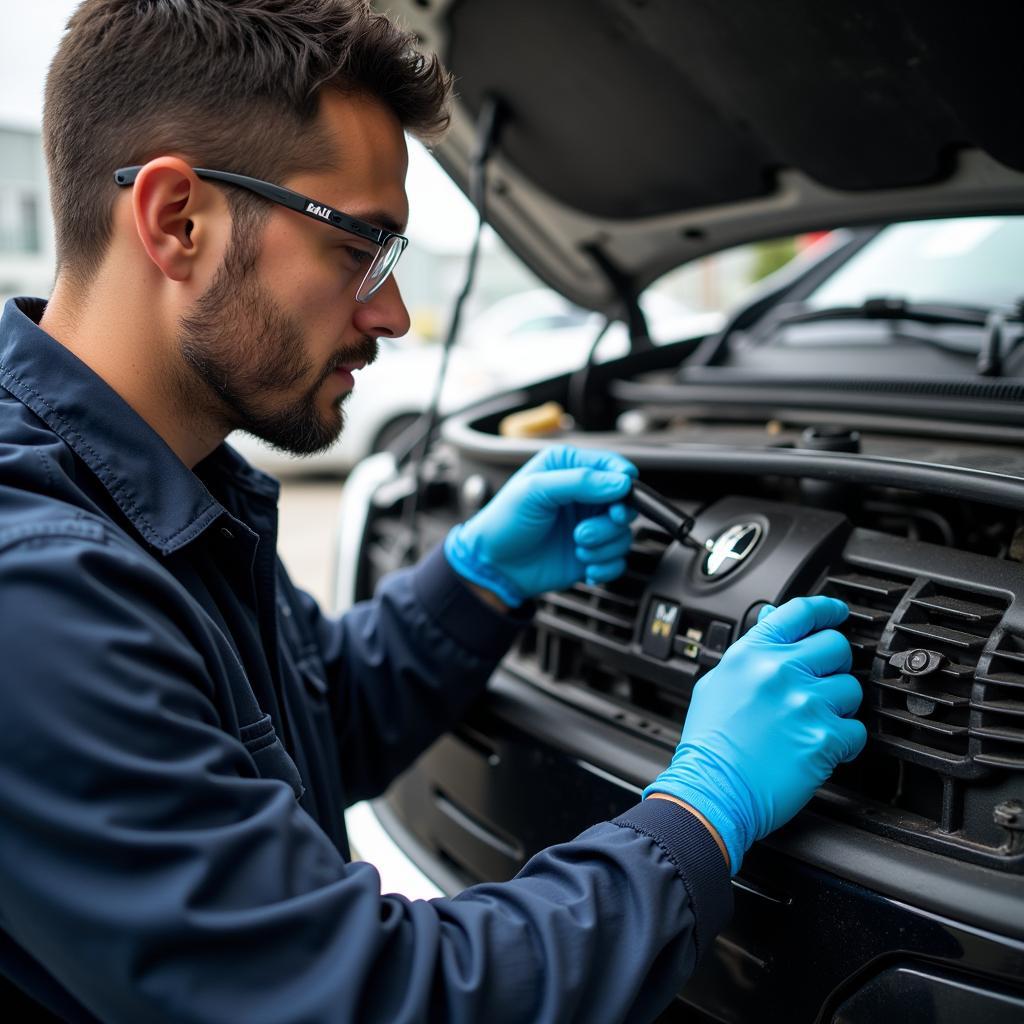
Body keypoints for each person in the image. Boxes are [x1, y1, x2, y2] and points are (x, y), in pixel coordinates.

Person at [0, 2, 867, 1021]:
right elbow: (374, 999)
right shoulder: (36, 588)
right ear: (177, 220)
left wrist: (474, 583)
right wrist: (703, 809)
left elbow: (304, 723)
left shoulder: (172, 481)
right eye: (361, 246)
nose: (393, 314)